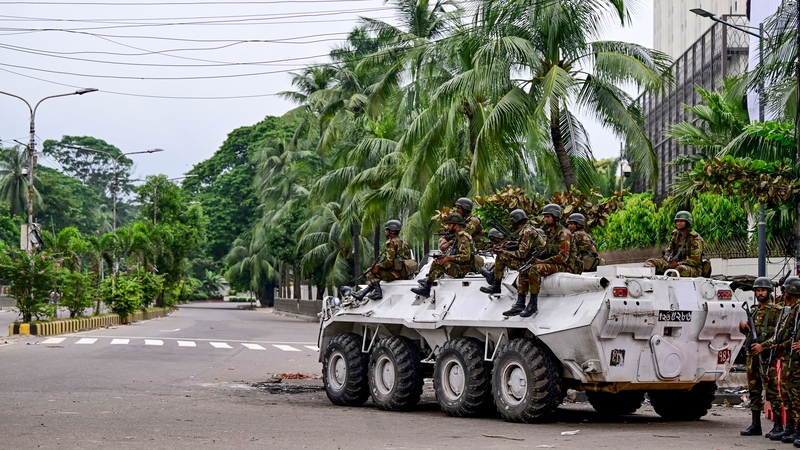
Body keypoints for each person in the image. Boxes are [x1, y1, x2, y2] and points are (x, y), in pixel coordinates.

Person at [738, 277, 784, 437]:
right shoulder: (754, 310)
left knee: (771, 391)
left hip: (767, 357)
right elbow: (748, 332)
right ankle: (755, 424)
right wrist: (743, 326)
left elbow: (779, 334)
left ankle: (779, 425)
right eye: (758, 290)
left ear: (769, 292)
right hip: (752, 357)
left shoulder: (776, 310)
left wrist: (763, 346)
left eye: (763, 290)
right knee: (754, 391)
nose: (760, 293)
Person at [479, 209, 544, 318]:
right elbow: (524, 246)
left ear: (515, 221)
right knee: (511, 261)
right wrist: (510, 244)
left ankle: (497, 285)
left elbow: (521, 254)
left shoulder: (527, 232)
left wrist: (503, 251)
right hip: (530, 260)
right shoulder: (527, 230)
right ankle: (517, 300)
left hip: (532, 261)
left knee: (501, 256)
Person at [523, 204, 574, 318]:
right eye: (545, 217)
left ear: (556, 217)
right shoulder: (550, 233)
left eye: (548, 217)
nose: (545, 219)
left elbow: (563, 257)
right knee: (525, 269)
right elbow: (547, 249)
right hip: (556, 263)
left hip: (566, 265)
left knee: (535, 270)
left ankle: (533, 304)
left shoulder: (564, 233)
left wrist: (543, 262)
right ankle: (521, 302)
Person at [411, 213, 473, 298]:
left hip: (463, 270)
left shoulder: (463, 238)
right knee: (438, 261)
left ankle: (427, 288)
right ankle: (428, 283)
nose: (448, 227)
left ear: (456, 225)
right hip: (460, 267)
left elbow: (466, 256)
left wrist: (448, 257)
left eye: (450, 224)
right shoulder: (458, 237)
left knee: (437, 263)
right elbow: (450, 248)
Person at [771, 276, 800, 444]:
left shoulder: (798, 309)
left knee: (796, 394)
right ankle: (791, 427)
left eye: (786, 291)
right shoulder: (790, 309)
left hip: (795, 359)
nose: (783, 293)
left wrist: (783, 345)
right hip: (789, 357)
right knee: (788, 394)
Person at [352, 220, 412, 301]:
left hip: (396, 274)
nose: (385, 231)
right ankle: (362, 293)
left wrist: (378, 266)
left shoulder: (391, 243)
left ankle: (377, 292)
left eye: (386, 230)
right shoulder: (404, 243)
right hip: (404, 273)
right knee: (377, 277)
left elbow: (389, 263)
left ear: (392, 231)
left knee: (370, 272)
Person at [644, 211, 704, 277]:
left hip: (692, 268)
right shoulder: (676, 235)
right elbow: (669, 250)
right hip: (672, 263)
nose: (678, 223)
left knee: (680, 269)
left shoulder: (695, 238)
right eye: (677, 221)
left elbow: (695, 261)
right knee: (651, 262)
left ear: (687, 222)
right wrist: (667, 258)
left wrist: (677, 264)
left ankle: (669, 286)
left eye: (681, 221)